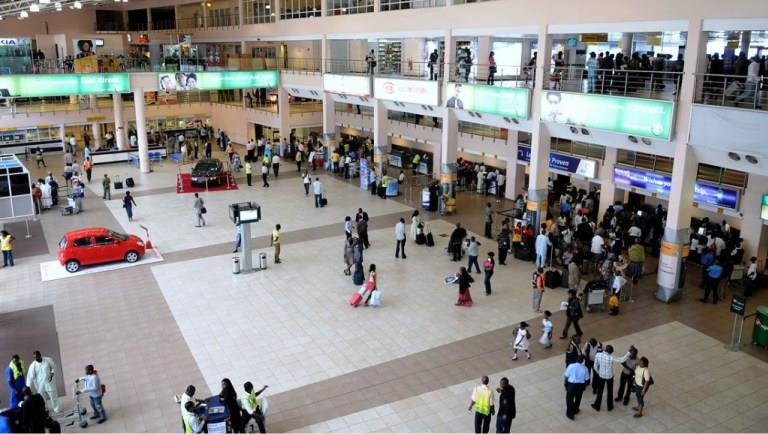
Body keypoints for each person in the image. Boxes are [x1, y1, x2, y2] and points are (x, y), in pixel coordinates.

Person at [591, 345, 632, 412]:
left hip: (601, 376)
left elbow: (595, 365)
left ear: (605, 349)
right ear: (611, 352)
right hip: (609, 376)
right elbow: (622, 359)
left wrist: (598, 373)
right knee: (610, 391)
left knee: (600, 391)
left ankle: (597, 406)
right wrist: (628, 352)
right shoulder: (611, 357)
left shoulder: (598, 355)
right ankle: (610, 406)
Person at [564, 355, 590, 420]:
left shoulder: (571, 366)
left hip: (571, 385)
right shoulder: (585, 368)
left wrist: (565, 384)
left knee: (569, 399)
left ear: (576, 359)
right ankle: (576, 410)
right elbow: (587, 380)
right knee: (578, 398)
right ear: (583, 361)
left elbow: (566, 376)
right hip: (580, 386)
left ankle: (570, 414)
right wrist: (584, 386)